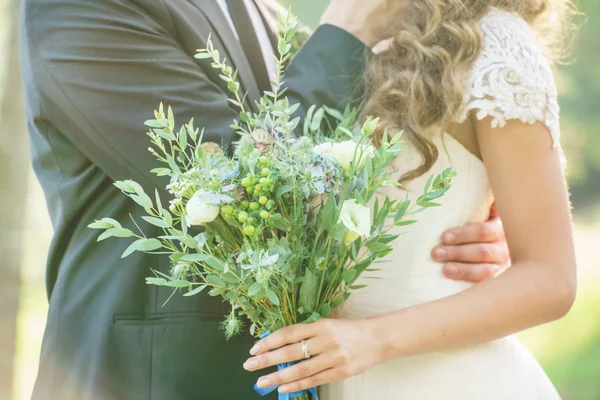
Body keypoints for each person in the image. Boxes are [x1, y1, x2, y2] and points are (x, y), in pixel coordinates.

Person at [20, 0, 509, 398]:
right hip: (148, 379)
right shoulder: (76, 9)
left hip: (300, 370)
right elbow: (236, 184)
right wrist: (347, 29)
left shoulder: (258, 8)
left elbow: (332, 158)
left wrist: (461, 216)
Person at [244, 1, 578, 399]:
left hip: (443, 381)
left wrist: (373, 338)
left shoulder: (494, 44)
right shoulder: (336, 36)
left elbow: (550, 279)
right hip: (329, 380)